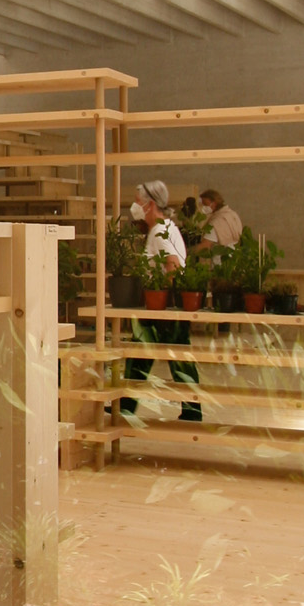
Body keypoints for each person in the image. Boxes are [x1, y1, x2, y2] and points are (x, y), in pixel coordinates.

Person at [118, 179, 201, 423]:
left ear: (150, 204)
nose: (134, 206)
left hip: (163, 306)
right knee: (146, 356)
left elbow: (172, 264)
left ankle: (191, 410)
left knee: (169, 357)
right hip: (164, 305)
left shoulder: (160, 231)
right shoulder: (165, 228)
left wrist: (163, 295)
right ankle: (127, 406)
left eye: (137, 202)